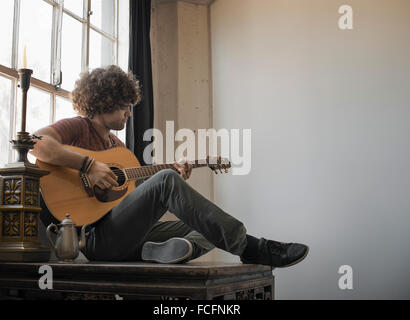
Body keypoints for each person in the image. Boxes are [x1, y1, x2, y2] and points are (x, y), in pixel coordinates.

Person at [31, 65, 309, 267]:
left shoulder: (120, 151)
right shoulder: (77, 127)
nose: (129, 113)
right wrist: (88, 165)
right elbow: (37, 143)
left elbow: (133, 200)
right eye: (124, 106)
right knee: (166, 181)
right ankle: (252, 247)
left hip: (124, 236)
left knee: (207, 228)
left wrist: (176, 180)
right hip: (91, 238)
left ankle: (162, 250)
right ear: (105, 101)